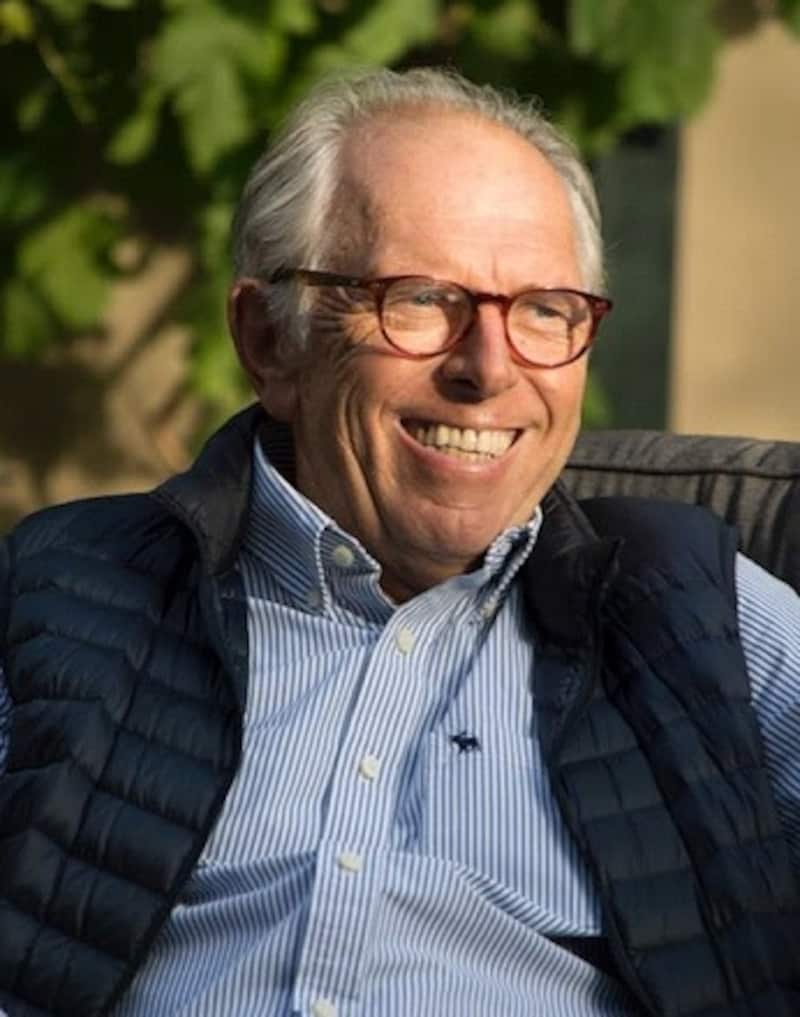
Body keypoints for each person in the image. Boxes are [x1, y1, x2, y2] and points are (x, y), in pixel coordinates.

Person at [1, 66, 799, 1017]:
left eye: (545, 309)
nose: (489, 369)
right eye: (422, 298)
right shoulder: (61, 591)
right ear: (270, 341)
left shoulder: (701, 614)